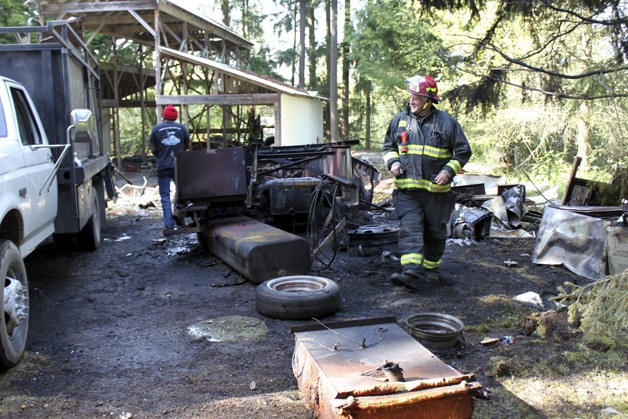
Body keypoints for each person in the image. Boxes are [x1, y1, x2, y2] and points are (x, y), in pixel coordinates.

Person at [382, 75, 472, 291]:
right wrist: (393, 162)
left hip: (436, 193)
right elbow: (388, 147)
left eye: (418, 97)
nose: (412, 100)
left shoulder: (446, 122)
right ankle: (411, 271)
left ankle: (430, 269)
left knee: (435, 232)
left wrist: (448, 172)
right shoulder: (399, 121)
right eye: (411, 96)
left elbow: (462, 152)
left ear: (430, 100)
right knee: (410, 228)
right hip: (407, 191)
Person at [149, 104, 190, 235]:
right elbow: (188, 146)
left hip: (163, 167)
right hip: (179, 166)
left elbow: (153, 149)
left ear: (164, 115)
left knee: (165, 196)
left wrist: (161, 156)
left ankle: (168, 225)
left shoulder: (156, 129)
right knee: (182, 193)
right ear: (175, 116)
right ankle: (181, 219)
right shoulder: (182, 128)